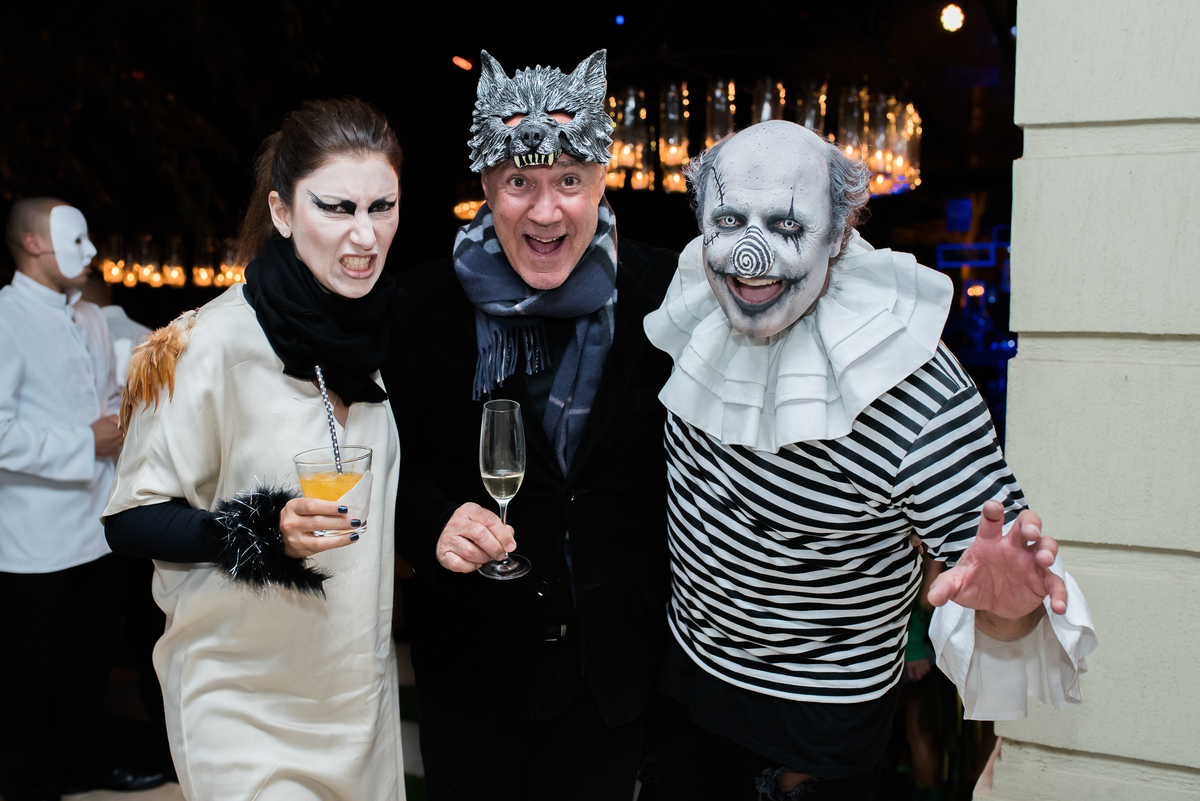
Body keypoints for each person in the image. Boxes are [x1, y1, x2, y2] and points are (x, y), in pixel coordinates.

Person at [640, 121, 1097, 800]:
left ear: (839, 230)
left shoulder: (915, 386)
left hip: (810, 730)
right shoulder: (696, 303)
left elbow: (999, 582)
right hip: (684, 683)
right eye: (729, 220)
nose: (750, 255)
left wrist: (1014, 609)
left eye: (787, 225)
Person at [385, 50, 678, 801]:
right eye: (520, 182)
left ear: (602, 179)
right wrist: (432, 523)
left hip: (614, 675)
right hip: (472, 673)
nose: (546, 211)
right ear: (486, 185)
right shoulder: (418, 306)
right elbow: (388, 468)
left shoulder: (671, 294)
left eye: (569, 181)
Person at [102, 97, 407, 800]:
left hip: (353, 692)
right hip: (238, 697)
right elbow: (129, 518)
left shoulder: (381, 341)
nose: (365, 234)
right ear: (281, 211)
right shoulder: (204, 344)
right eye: (336, 207)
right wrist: (264, 528)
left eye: (382, 207)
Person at [0, 198, 167, 800]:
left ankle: (90, 767)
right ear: (34, 244)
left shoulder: (91, 317)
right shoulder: (5, 320)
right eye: (76, 240)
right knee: (28, 677)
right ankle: (29, 783)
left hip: (95, 528)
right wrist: (83, 441)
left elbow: (110, 395)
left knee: (86, 665)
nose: (92, 251)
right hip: (32, 538)